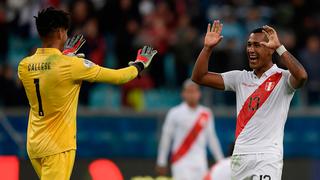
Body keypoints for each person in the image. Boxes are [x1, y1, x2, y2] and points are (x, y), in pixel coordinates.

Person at [17, 7, 157, 180]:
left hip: (34, 144)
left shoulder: (24, 65)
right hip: (57, 146)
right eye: (66, 32)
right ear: (61, 33)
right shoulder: (72, 65)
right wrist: (139, 65)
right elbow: (118, 77)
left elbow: (48, 75)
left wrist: (67, 55)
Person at [192, 20, 308, 180]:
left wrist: (280, 48)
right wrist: (207, 48)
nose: (251, 50)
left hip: (267, 156)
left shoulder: (283, 78)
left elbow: (302, 76)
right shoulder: (240, 78)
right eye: (249, 45)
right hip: (240, 156)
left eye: (257, 45)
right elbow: (199, 77)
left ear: (270, 49)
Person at [156, 79, 224, 180]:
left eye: (194, 91)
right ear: (183, 94)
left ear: (199, 94)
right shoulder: (174, 113)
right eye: (189, 91)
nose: (192, 94)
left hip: (200, 161)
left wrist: (220, 161)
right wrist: (161, 161)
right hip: (181, 161)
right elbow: (166, 138)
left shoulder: (206, 113)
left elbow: (212, 139)